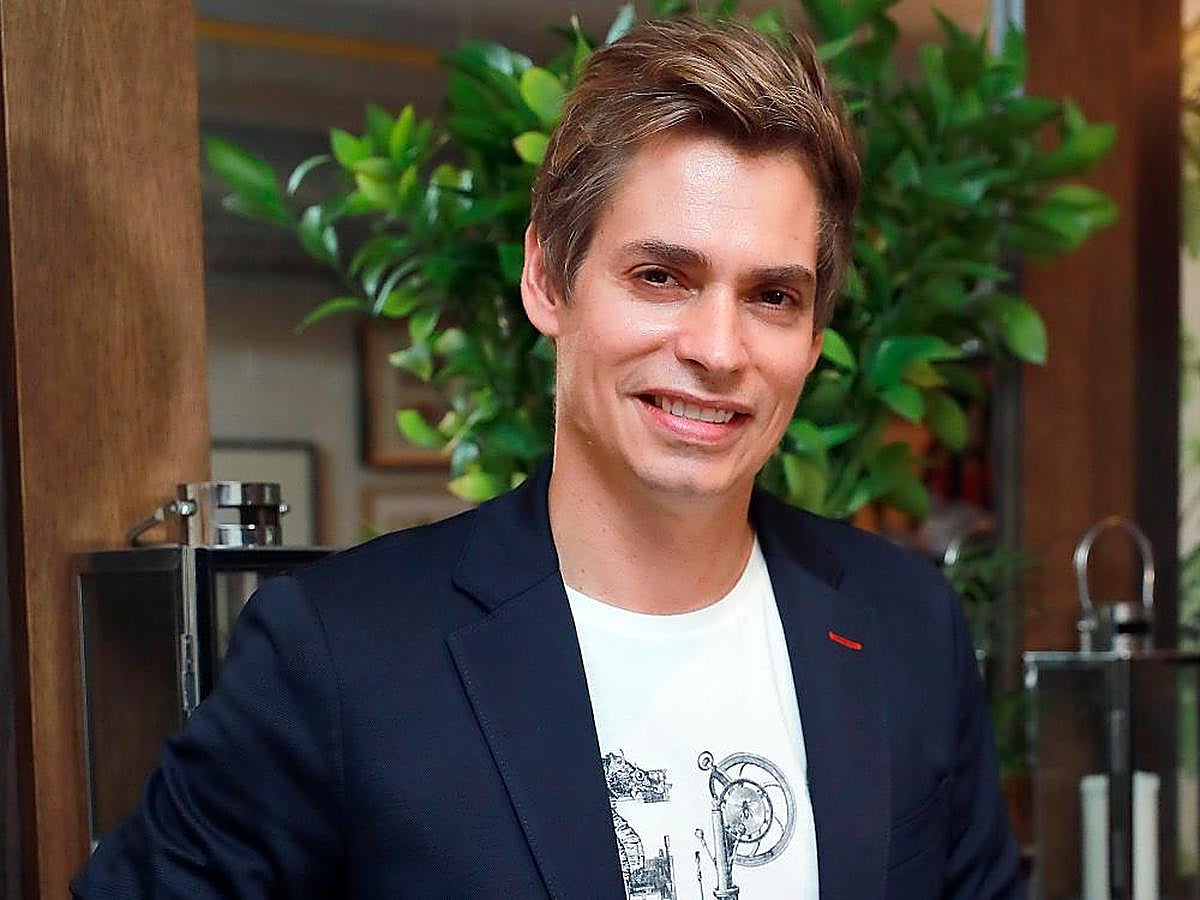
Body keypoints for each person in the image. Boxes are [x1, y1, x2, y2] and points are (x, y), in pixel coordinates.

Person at [73, 16, 1021, 900]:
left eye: (772, 297)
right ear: (546, 280)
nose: (718, 349)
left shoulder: (905, 625)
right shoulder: (339, 654)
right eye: (661, 276)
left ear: (813, 339)